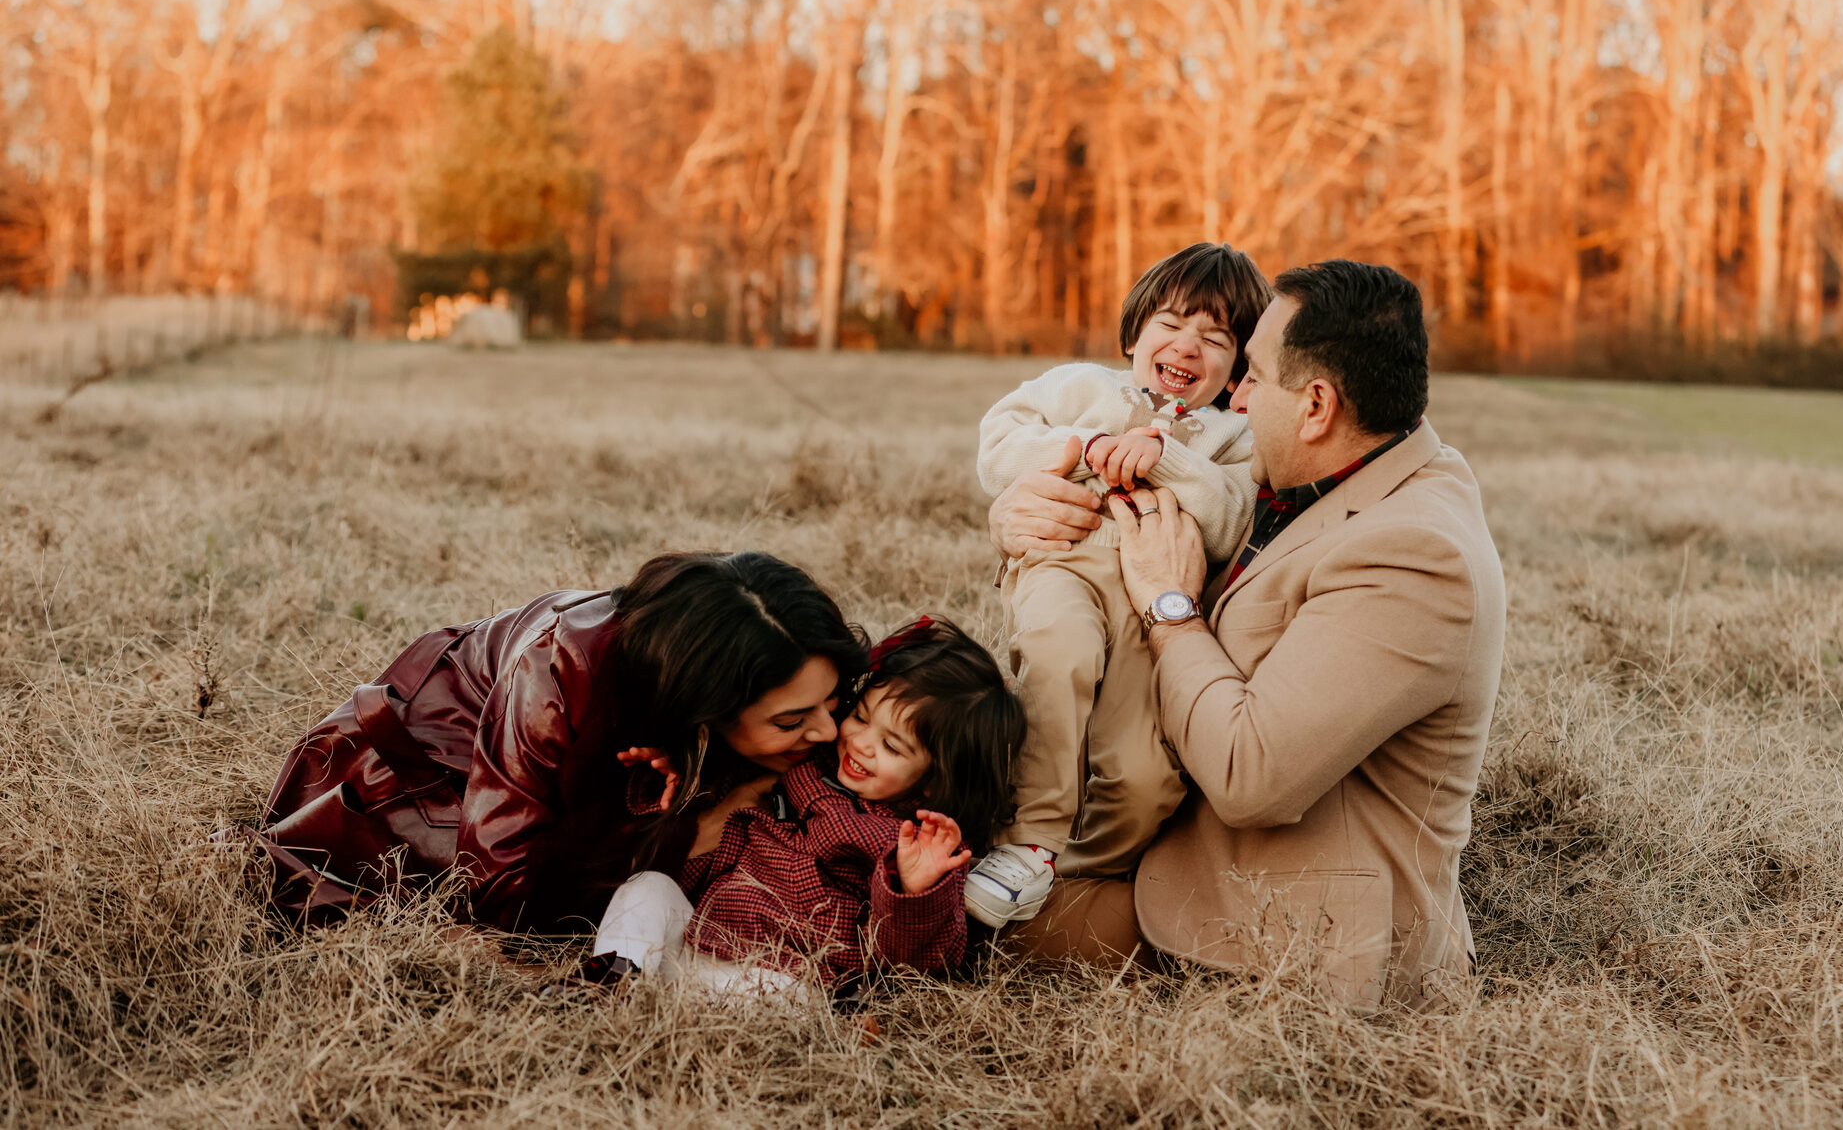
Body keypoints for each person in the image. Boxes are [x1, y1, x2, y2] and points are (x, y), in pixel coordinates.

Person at [987, 260, 1505, 1011]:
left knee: (954, 927)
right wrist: (1018, 517)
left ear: (1318, 405)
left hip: (1264, 918)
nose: (1236, 394)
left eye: (1253, 374)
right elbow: (1161, 521)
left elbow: (1250, 775)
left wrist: (1171, 607)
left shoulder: (1417, 556)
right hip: (1143, 821)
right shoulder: (1341, 460)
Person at [249, 551, 868, 934]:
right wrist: (687, 830)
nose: (828, 732)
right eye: (791, 723)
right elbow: (500, 889)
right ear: (703, 709)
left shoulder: (764, 646)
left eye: (835, 703)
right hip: (418, 778)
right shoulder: (557, 677)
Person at [965, 243, 1273, 928]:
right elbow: (998, 443)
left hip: (1154, 602)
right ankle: (1029, 843)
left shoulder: (1233, 435)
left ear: (1239, 368)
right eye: (1170, 323)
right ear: (1135, 334)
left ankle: (1078, 874)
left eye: (1216, 337)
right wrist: (1078, 446)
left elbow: (1229, 517)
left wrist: (1167, 458)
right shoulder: (1082, 389)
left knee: (1143, 773)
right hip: (1064, 564)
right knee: (1060, 654)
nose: (1187, 346)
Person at [587, 617, 1026, 992]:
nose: (860, 743)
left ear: (934, 781)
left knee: (783, 1000)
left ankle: (660, 997)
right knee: (648, 887)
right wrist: (683, 776)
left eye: (891, 746)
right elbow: (717, 804)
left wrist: (914, 890)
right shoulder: (802, 767)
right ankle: (615, 977)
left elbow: (919, 958)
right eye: (860, 717)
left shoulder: (916, 846)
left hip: (782, 973)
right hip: (695, 934)